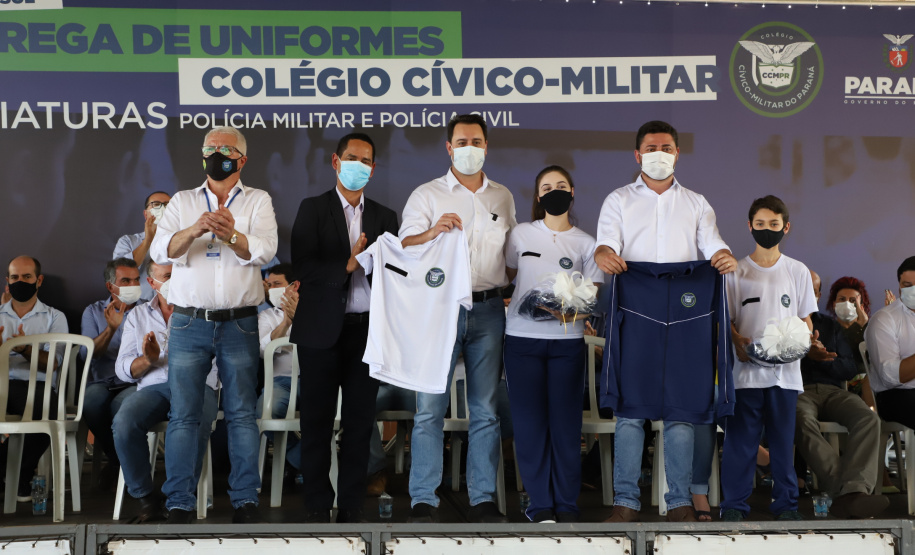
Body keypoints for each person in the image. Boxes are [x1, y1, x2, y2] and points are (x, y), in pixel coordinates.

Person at [593, 120, 736, 523]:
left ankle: (679, 503)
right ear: (637, 155)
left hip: (688, 312)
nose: (660, 153)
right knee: (629, 410)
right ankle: (625, 503)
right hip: (637, 306)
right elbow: (607, 242)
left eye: (667, 147)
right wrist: (604, 252)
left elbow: (712, 242)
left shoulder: (696, 203)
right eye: (652, 147)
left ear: (677, 153)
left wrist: (722, 254)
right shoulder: (618, 199)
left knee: (682, 410)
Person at [150, 126, 278, 524]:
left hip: (240, 322)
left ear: (242, 158)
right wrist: (195, 229)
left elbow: (266, 250)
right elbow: (160, 250)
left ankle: (245, 500)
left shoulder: (258, 200)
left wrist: (232, 234)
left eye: (226, 149)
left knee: (241, 413)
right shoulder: (183, 202)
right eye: (210, 149)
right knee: (184, 414)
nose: (217, 154)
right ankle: (179, 503)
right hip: (189, 322)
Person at [399, 114, 517, 523]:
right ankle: (423, 500)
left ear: (487, 147)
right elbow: (404, 247)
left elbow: (513, 257)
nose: (470, 148)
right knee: (429, 408)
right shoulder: (427, 195)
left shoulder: (502, 196)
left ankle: (482, 497)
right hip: (440, 309)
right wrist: (431, 233)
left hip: (488, 309)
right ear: (448, 148)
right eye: (462, 141)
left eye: (477, 141)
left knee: (485, 409)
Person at [290, 132, 398, 523]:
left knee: (359, 425)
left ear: (373, 168)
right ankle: (318, 505)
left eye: (366, 161)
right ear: (336, 162)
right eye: (352, 158)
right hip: (320, 331)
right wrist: (347, 266)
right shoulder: (313, 208)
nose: (359, 166)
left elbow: (396, 272)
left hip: (367, 332)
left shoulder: (385, 216)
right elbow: (301, 267)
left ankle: (352, 506)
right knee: (316, 423)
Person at [503, 165, 602, 523]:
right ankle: (540, 504)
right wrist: (533, 304)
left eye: (561, 185)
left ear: (572, 192)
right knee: (529, 426)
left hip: (567, 343)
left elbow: (590, 297)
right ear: (538, 196)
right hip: (521, 340)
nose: (555, 191)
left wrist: (564, 312)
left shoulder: (586, 243)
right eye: (547, 187)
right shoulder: (520, 235)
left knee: (565, 426)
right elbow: (510, 277)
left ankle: (567, 504)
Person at [720, 195, 817, 522]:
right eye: (759, 224)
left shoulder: (797, 271)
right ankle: (733, 504)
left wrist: (806, 340)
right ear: (749, 226)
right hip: (745, 373)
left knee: (782, 443)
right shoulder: (736, 271)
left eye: (773, 224)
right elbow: (727, 320)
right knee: (741, 442)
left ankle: (786, 505)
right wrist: (737, 341)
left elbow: (806, 321)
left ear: (785, 227)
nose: (766, 229)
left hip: (786, 375)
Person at [112, 261, 219, 522]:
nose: (176, 279)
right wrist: (148, 360)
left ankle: (179, 500)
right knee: (124, 422)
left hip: (198, 384)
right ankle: (147, 499)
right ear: (152, 283)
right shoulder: (137, 316)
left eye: (179, 274)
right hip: (154, 387)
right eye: (168, 276)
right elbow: (123, 368)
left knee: (192, 420)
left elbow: (220, 361)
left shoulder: (206, 311)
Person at [794, 271, 887, 518]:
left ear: (818, 295)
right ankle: (849, 492)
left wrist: (824, 360)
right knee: (800, 420)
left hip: (835, 391)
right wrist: (807, 354)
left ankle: (849, 492)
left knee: (868, 418)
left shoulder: (829, 325)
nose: (807, 295)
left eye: (812, 291)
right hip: (799, 391)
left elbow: (847, 369)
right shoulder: (782, 323)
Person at [0, 256, 68, 499]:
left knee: (50, 413)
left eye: (27, 277)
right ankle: (15, 478)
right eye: (15, 277)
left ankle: (15, 474)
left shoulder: (54, 317)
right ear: (7, 282)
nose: (21, 282)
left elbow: (54, 364)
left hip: (36, 386)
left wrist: (25, 350)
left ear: (38, 280)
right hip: (1, 386)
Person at [80, 257, 141, 490]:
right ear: (110, 286)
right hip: (103, 381)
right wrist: (111, 329)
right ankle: (119, 459)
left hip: (136, 382)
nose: (133, 286)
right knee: (91, 402)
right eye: (125, 281)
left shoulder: (148, 309)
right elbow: (88, 356)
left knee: (121, 407)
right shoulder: (93, 311)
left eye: (136, 280)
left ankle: (121, 465)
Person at [255, 263, 300, 472]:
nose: (272, 289)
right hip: (280, 383)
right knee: (267, 411)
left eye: (277, 284)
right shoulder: (266, 317)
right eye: (269, 285)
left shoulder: (318, 311)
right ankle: (301, 459)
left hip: (314, 381)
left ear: (294, 285)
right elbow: (263, 350)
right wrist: (286, 323)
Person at [864, 256, 915, 430]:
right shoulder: (884, 319)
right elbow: (890, 376)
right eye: (907, 285)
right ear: (899, 287)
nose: (913, 290)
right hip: (896, 396)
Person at [114, 191, 172, 301]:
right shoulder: (127, 241)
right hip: (138, 306)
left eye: (167, 204)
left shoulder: (181, 240)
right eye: (156, 204)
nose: (163, 208)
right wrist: (148, 240)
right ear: (146, 214)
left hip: (174, 306)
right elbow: (121, 272)